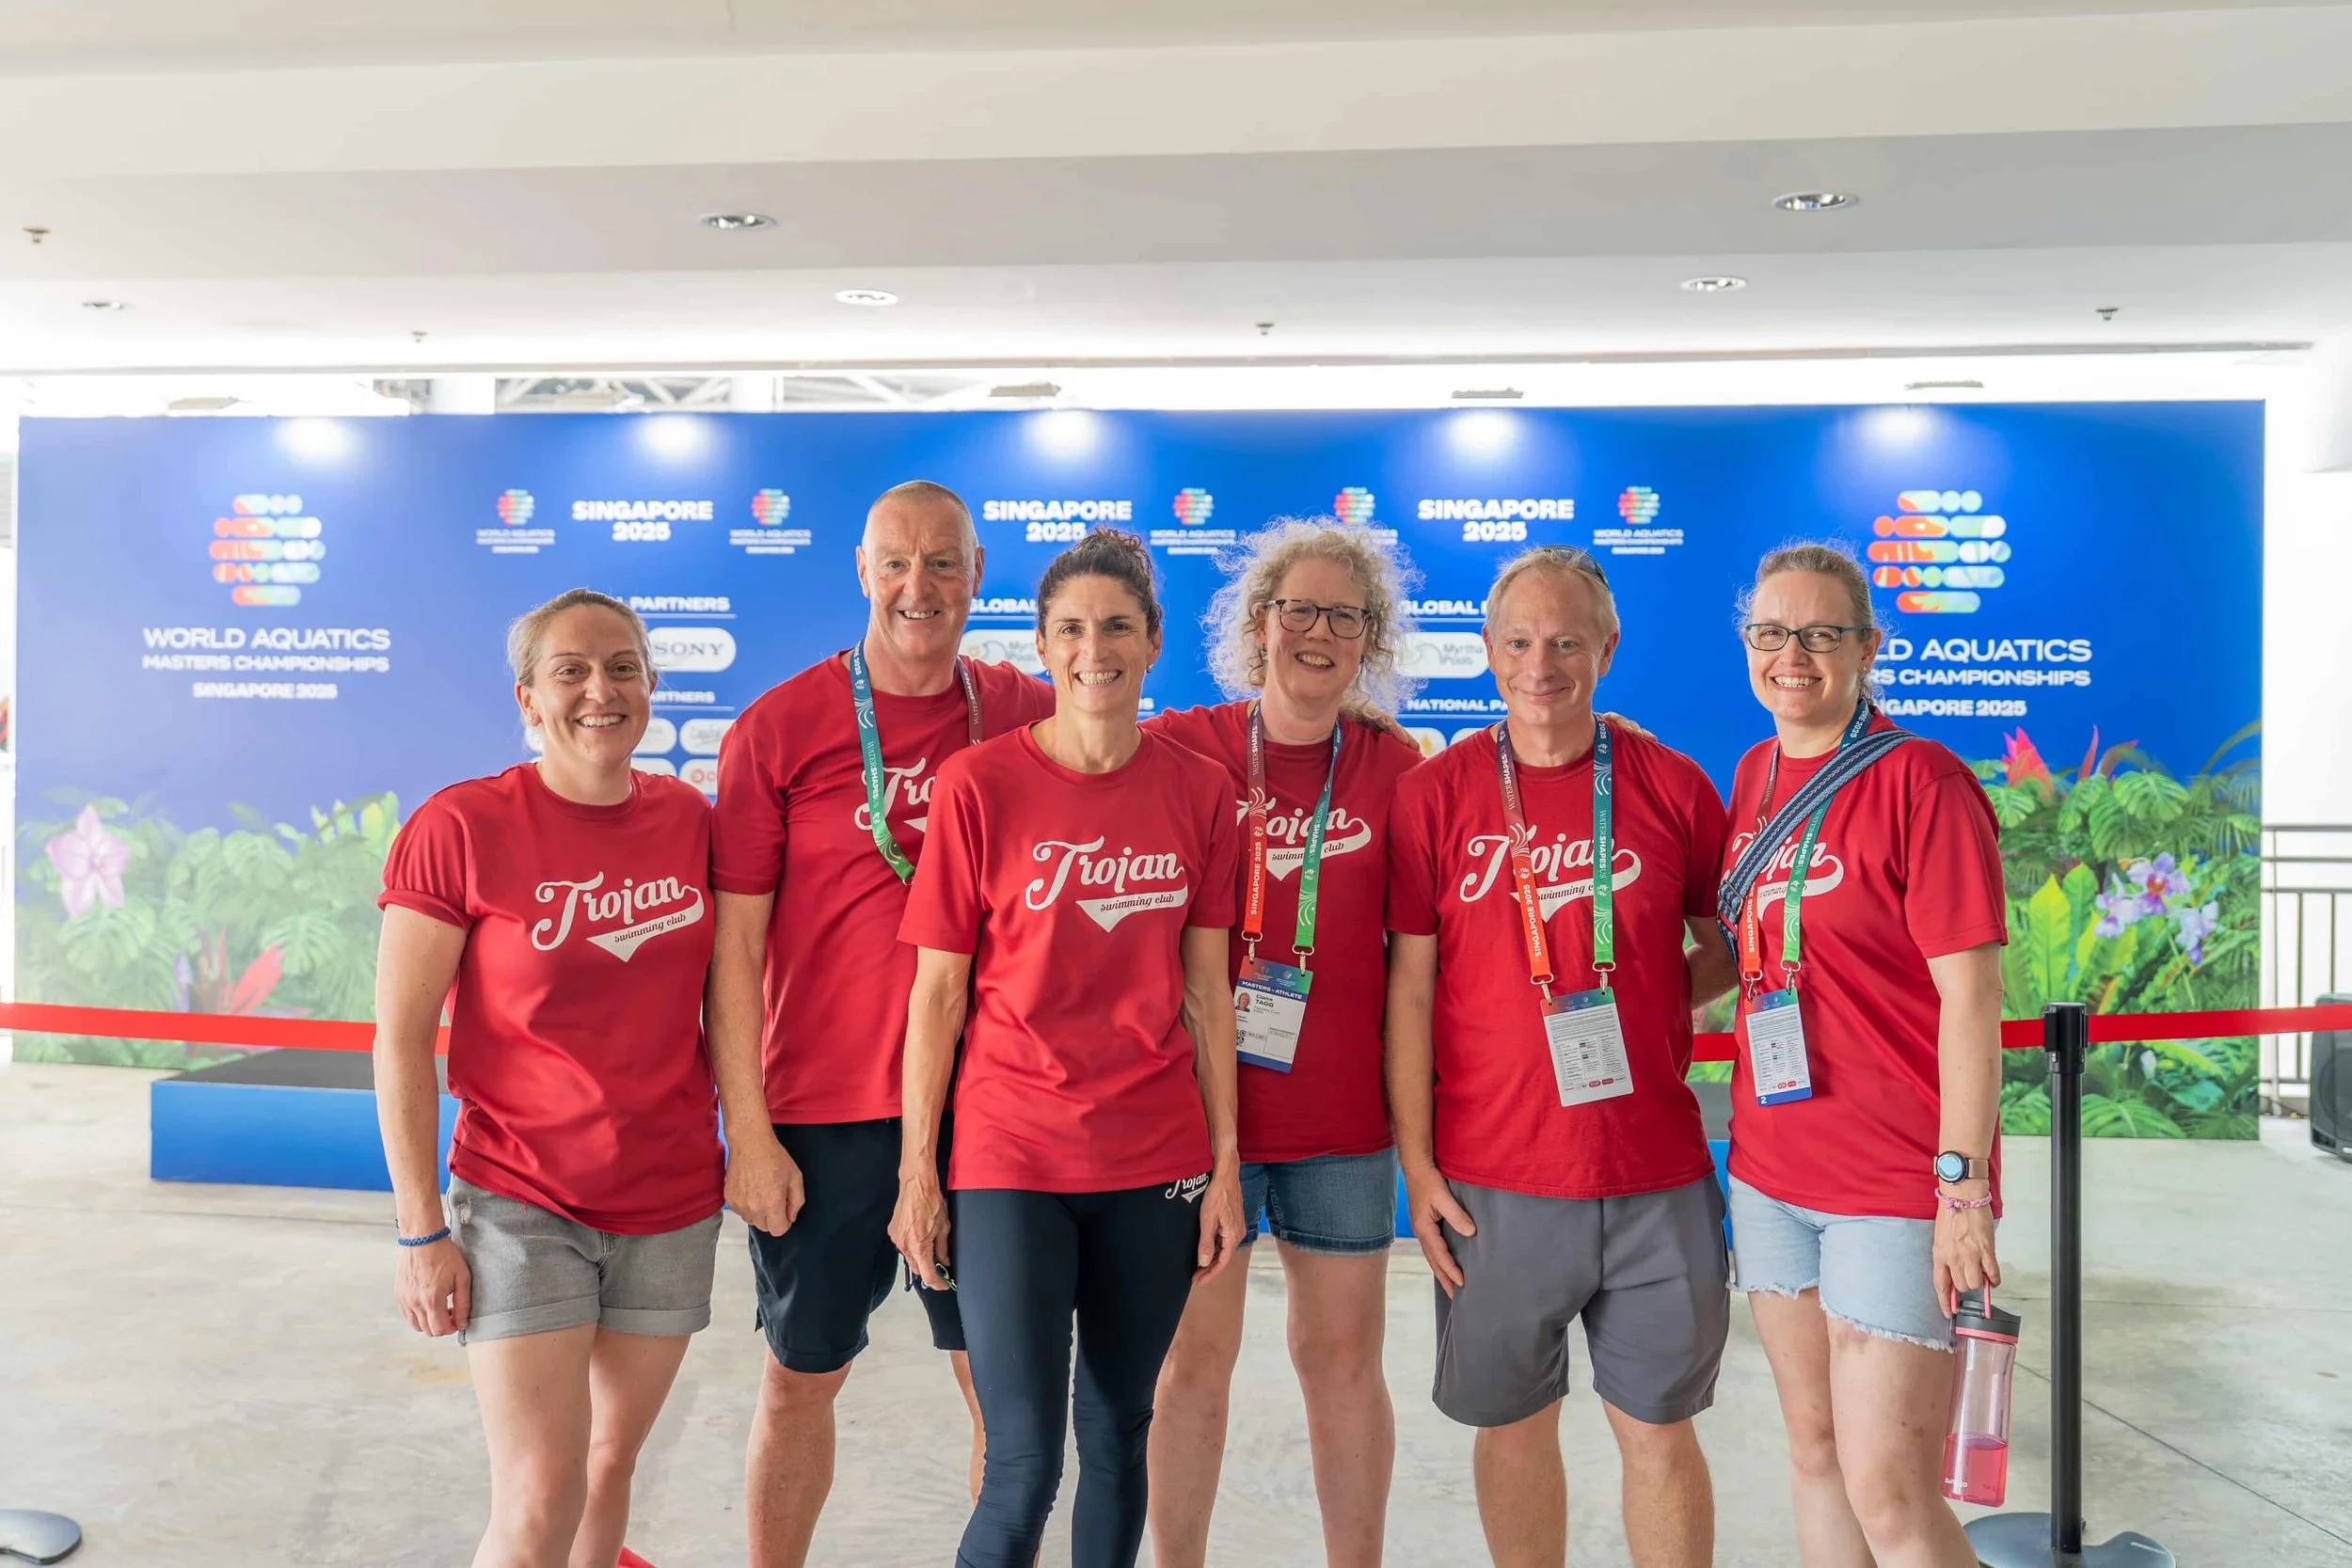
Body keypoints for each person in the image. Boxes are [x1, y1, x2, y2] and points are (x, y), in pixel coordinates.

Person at [708, 481, 1057, 1568]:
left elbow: (1169, 747)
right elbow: (735, 950)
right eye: (897, 562)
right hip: (823, 1113)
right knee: (799, 1376)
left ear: (978, 575)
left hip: (984, 1108)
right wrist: (749, 1132)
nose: (920, 586)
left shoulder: (1027, 711)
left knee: (997, 1388)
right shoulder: (778, 728)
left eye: (944, 562)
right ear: (863, 572)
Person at [889, 528, 1248, 1568]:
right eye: (1074, 629)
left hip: (1156, 1159)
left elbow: (1208, 997)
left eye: (1119, 626)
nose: (1098, 648)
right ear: (1043, 646)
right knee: (1023, 1459)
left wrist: (1222, 1165)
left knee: (1117, 1431)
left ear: (1152, 641)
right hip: (1012, 1155)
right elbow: (938, 993)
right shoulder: (978, 785)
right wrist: (920, 1169)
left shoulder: (1198, 791)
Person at [1385, 546, 1738, 1568]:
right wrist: (1417, 1163)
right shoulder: (1436, 792)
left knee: (1659, 1431)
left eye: (1567, 641)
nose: (1542, 665)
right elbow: (1411, 988)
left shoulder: (1671, 785)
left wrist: (1645, 1003)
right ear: (1490, 650)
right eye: (1520, 641)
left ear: (1607, 648)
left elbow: (1723, 944)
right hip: (1493, 1177)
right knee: (1513, 1425)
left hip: (1653, 1173)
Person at [375, 588, 723, 1568]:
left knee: (610, 1469)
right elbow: (400, 1040)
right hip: (521, 1197)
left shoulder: (692, 820)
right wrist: (419, 1230)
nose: (598, 690)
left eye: (621, 666)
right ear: (528, 699)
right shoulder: (460, 826)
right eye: (569, 670)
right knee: (538, 1495)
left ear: (650, 684)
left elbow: (736, 998)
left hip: (671, 1198)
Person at [1141, 519, 1422, 1568]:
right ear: (1257, 625)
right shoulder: (1181, 744)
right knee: (1191, 1362)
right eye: (1294, 609)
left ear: (1369, 639)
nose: (1315, 631)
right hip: (1198, 1121)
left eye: (1341, 615)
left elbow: (1417, 966)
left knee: (1343, 1361)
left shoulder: (1400, 770)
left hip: (1344, 1122)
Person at [1717, 543, 2004, 1568]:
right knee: (1816, 1452)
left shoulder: (1921, 781)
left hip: (1892, 1179)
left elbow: (1971, 998)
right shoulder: (1754, 775)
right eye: (1769, 632)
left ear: (1866, 647)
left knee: (1891, 1489)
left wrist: (1960, 1189)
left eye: (1819, 633)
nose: (1791, 654)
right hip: (1769, 1171)